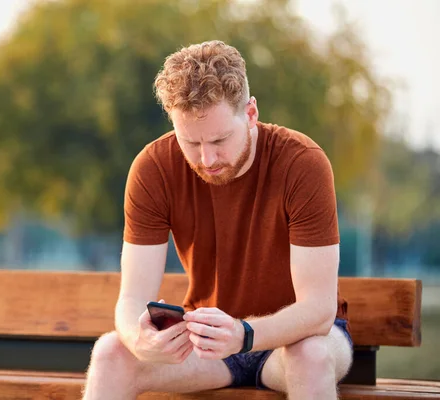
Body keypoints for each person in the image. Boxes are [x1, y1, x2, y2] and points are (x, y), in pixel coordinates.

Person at [82, 40, 353, 400]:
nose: (207, 159)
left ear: (251, 113)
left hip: (297, 338)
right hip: (208, 346)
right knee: (111, 353)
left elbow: (318, 311)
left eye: (220, 139)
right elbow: (131, 300)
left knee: (312, 358)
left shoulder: (303, 162)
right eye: (190, 143)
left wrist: (245, 334)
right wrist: (140, 339)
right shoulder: (153, 168)